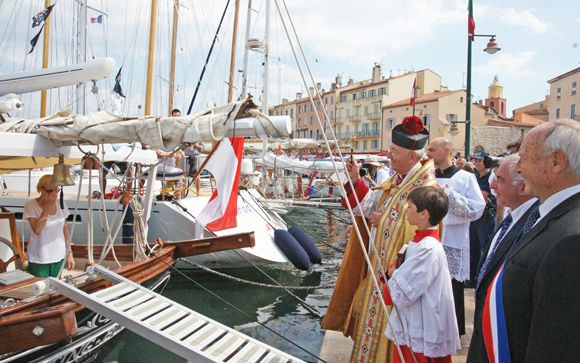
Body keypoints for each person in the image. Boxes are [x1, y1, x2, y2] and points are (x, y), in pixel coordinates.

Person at [322, 115, 437, 363]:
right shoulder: (398, 180)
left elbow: (417, 233)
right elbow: (368, 206)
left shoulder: (426, 190)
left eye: (394, 151)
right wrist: (355, 180)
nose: (388, 156)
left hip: (398, 281)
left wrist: (380, 220)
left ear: (413, 157)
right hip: (380, 273)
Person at [491, 119, 580, 362]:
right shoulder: (553, 216)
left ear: (556, 162)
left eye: (523, 158)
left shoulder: (572, 239)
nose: (517, 168)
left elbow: (557, 346)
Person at [466, 154, 538, 363]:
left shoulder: (533, 222)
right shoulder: (512, 218)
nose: (494, 185)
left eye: (501, 180)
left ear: (523, 187)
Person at [384, 186, 461, 363]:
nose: (406, 210)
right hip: (418, 318)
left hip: (422, 322)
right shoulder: (424, 242)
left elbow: (404, 291)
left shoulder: (428, 248)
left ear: (423, 213)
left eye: (410, 206)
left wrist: (393, 272)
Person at [426, 137, 486, 336]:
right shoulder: (427, 176)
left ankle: (453, 331)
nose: (428, 154)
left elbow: (477, 209)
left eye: (432, 150)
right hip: (429, 238)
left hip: (452, 240)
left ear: (446, 151)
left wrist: (449, 195)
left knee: (451, 288)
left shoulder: (465, 178)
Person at [22, 175, 75, 277]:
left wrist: (70, 254)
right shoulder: (31, 205)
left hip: (58, 257)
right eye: (49, 191)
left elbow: (65, 231)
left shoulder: (61, 204)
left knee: (55, 290)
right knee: (39, 290)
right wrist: (47, 207)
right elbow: (37, 230)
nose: (53, 195)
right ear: (40, 189)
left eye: (56, 190)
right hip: (40, 258)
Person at [466, 150, 497, 287]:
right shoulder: (475, 177)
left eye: (480, 161)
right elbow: (477, 196)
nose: (477, 163)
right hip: (474, 217)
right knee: (473, 248)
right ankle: (473, 277)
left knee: (487, 248)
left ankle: (486, 278)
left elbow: (482, 195)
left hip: (485, 218)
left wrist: (475, 195)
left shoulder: (491, 177)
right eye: (476, 161)